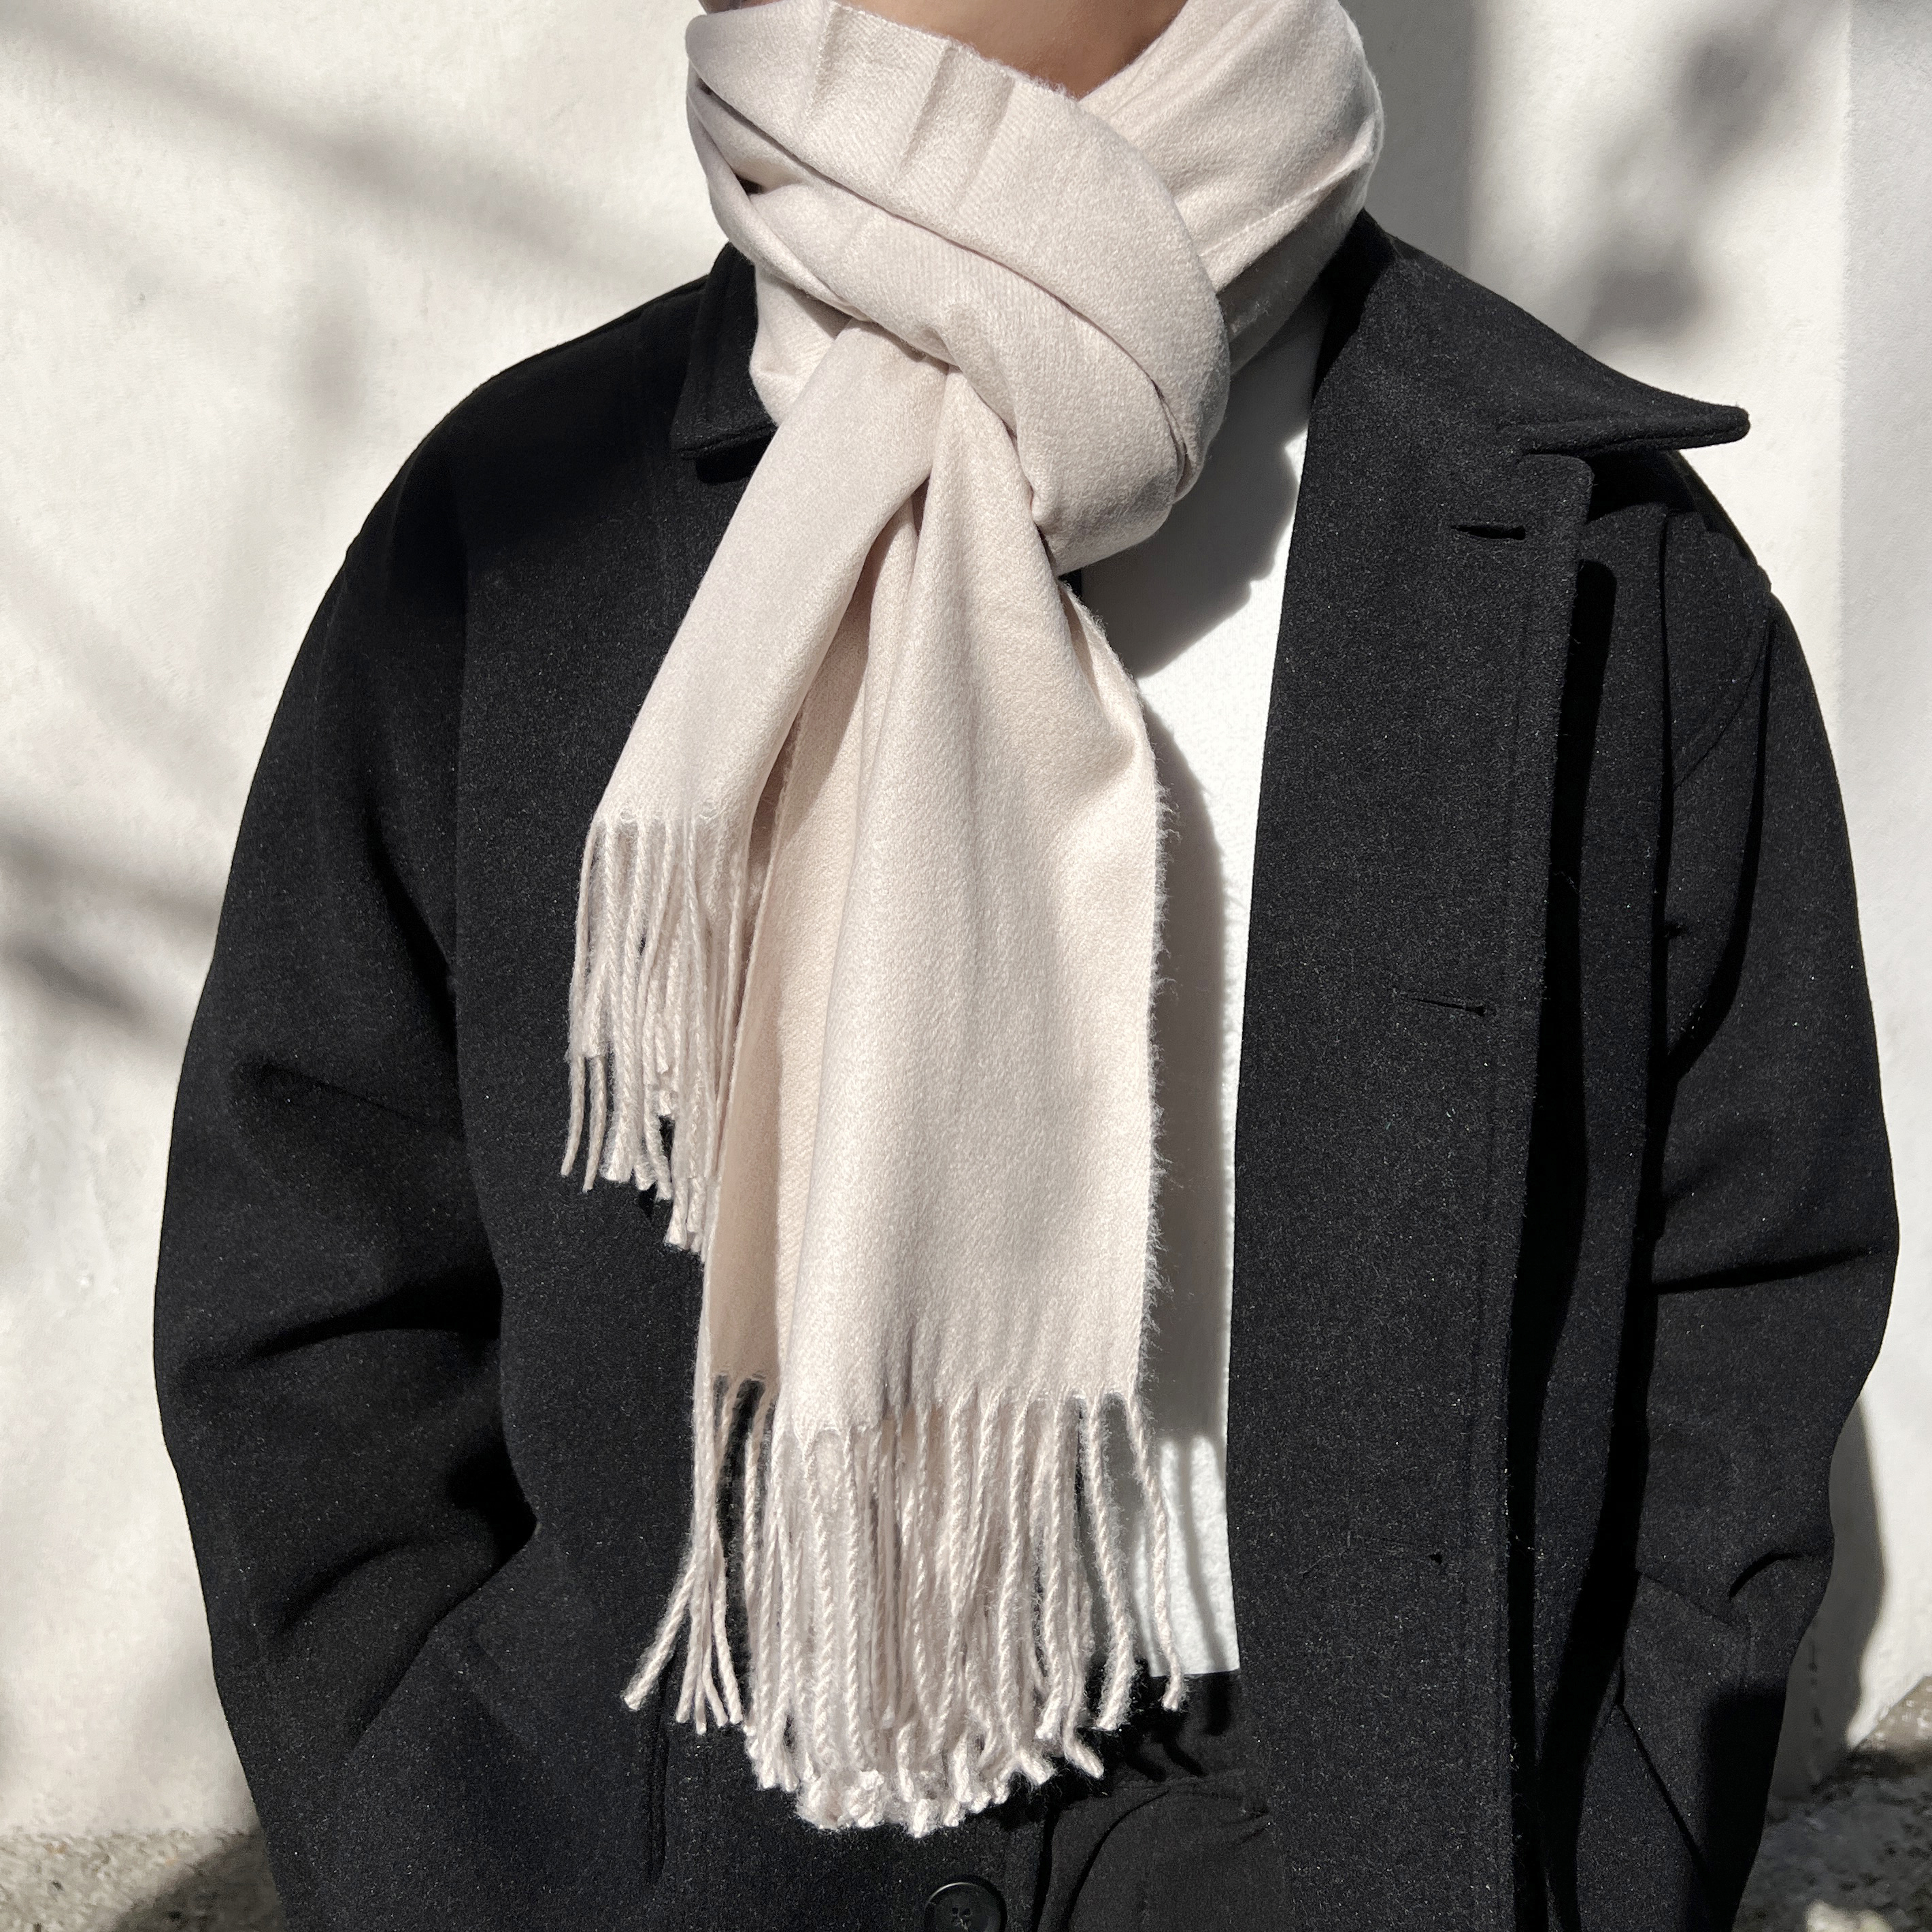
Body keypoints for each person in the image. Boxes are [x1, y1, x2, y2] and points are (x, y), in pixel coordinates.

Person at [152, 0, 1897, 1927]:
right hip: (675, 1843)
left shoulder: (1596, 548)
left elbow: (1747, 1278)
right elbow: (313, 1250)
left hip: (1345, 1856)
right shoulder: (518, 524)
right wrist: (424, 1829)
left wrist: (1603, 1855)